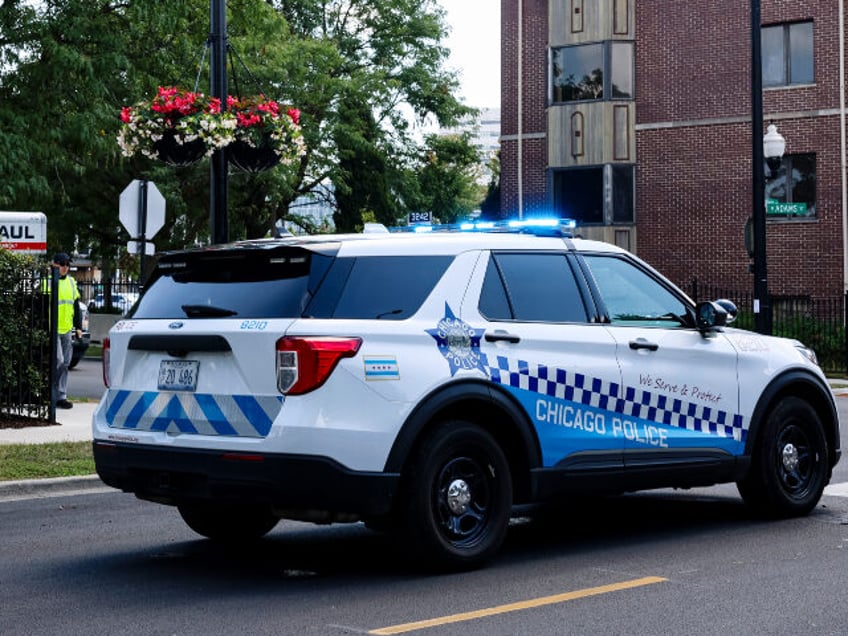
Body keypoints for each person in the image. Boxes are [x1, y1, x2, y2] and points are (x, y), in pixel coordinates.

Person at [46, 252, 83, 409]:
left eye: (68, 264)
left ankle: (61, 396)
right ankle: (51, 393)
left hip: (67, 329)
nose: (65, 267)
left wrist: (79, 327)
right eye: (62, 264)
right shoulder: (47, 283)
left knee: (66, 363)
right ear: (54, 264)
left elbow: (76, 306)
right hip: (53, 329)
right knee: (59, 361)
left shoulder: (72, 283)